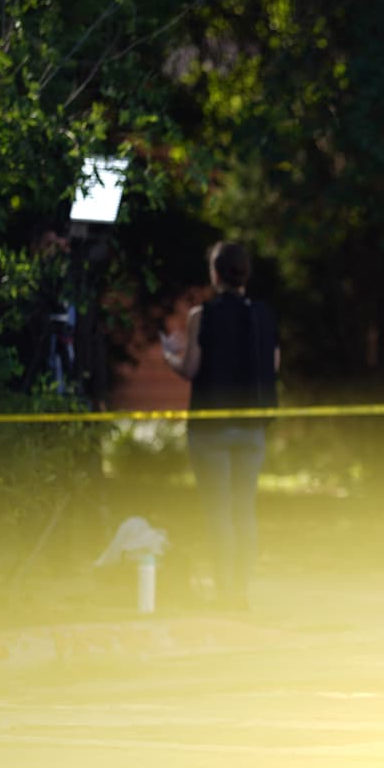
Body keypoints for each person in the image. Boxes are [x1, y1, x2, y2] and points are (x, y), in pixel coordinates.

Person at [163, 241, 279, 610]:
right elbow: (273, 365)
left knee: (219, 512)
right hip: (252, 426)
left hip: (212, 428)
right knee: (244, 510)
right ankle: (241, 592)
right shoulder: (264, 315)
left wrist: (169, 355)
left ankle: (224, 592)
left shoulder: (203, 315)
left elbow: (190, 368)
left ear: (215, 274)